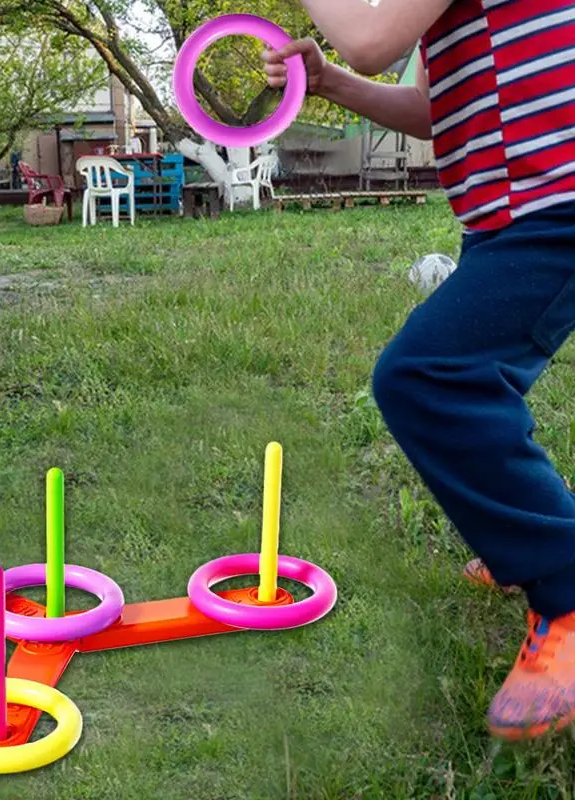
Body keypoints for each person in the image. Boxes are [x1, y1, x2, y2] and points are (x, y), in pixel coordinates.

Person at [263, 0, 575, 742]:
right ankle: (519, 530)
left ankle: (564, 584)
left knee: (428, 377)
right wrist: (330, 83)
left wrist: (352, 55)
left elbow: (370, 38)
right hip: (507, 219)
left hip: (554, 205)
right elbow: (438, 108)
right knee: (474, 379)